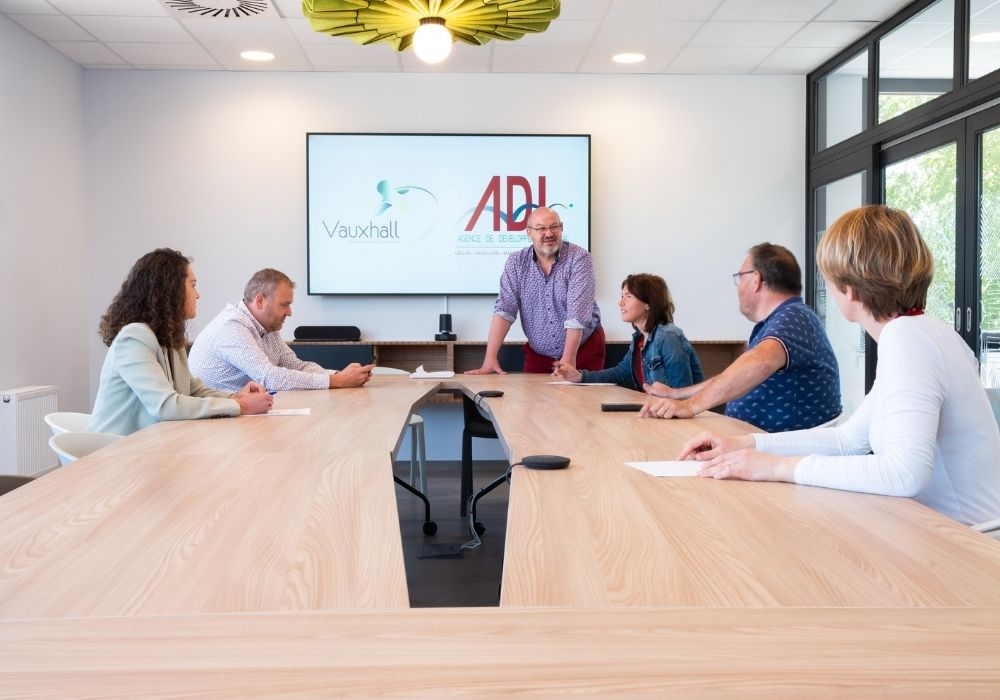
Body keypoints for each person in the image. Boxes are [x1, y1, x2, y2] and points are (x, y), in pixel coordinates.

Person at [679, 206, 1000, 526]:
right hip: (947, 532)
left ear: (849, 287)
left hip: (965, 547)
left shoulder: (907, 338)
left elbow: (904, 474)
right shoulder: (922, 331)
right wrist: (745, 444)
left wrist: (774, 467)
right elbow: (847, 440)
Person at [640, 243, 841, 432]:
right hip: (757, 445)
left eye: (740, 277)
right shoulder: (784, 319)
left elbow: (759, 362)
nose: (738, 287)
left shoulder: (794, 317)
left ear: (756, 280)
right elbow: (735, 376)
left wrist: (690, 406)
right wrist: (677, 395)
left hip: (779, 455)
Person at [88, 248, 271, 436]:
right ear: (170, 290)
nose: (197, 294)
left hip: (148, 444)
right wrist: (239, 405)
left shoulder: (168, 335)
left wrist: (235, 396)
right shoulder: (134, 338)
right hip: (111, 451)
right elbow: (165, 405)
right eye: (192, 285)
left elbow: (190, 388)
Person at [467, 206, 604, 374]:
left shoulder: (579, 258)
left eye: (554, 227)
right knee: (532, 399)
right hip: (538, 356)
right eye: (541, 228)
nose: (549, 233)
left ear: (561, 228)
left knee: (580, 400)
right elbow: (504, 310)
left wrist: (568, 360)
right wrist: (490, 358)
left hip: (583, 351)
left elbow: (577, 316)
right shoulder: (516, 262)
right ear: (529, 232)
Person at [189, 268, 373, 392]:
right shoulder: (231, 326)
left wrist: (339, 375)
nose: (290, 312)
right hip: (215, 427)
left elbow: (294, 365)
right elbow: (270, 377)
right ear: (260, 301)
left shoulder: (267, 327)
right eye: (284, 305)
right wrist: (337, 382)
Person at [553, 273, 703, 391]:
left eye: (628, 297)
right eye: (622, 296)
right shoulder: (640, 339)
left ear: (648, 303)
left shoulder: (668, 337)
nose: (621, 302)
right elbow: (621, 373)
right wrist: (580, 377)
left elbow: (683, 393)